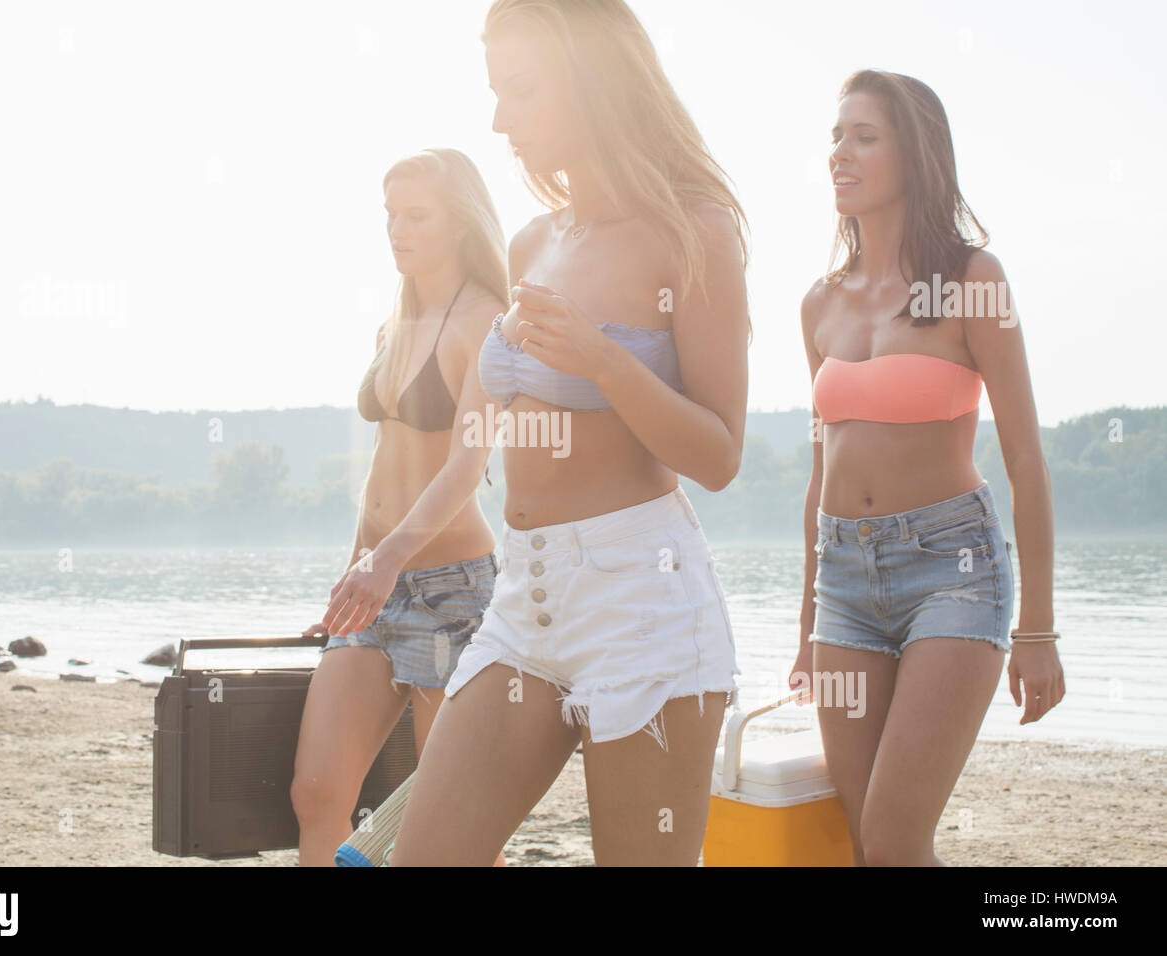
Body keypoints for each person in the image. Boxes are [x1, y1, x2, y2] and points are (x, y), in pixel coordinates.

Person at [390, 0, 751, 866]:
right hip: (526, 600)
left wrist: (603, 362)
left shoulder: (692, 233)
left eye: (520, 92)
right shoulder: (530, 244)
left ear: (591, 85)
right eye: (495, 93)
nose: (498, 120)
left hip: (642, 601)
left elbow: (719, 456)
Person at [793, 70, 1065, 866]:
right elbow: (819, 474)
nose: (840, 153)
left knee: (893, 840)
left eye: (864, 137)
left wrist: (1038, 630)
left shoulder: (974, 281)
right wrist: (807, 622)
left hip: (954, 567)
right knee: (865, 842)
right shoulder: (819, 303)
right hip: (844, 580)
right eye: (835, 136)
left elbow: (1023, 456)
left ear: (914, 155)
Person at [290, 148, 508, 866]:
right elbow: (382, 466)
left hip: (450, 594)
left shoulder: (484, 321)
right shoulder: (396, 322)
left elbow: (464, 468)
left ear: (460, 224)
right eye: (390, 214)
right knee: (317, 793)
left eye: (417, 215)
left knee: (448, 821)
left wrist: (383, 562)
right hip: (373, 589)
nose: (397, 229)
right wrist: (353, 571)